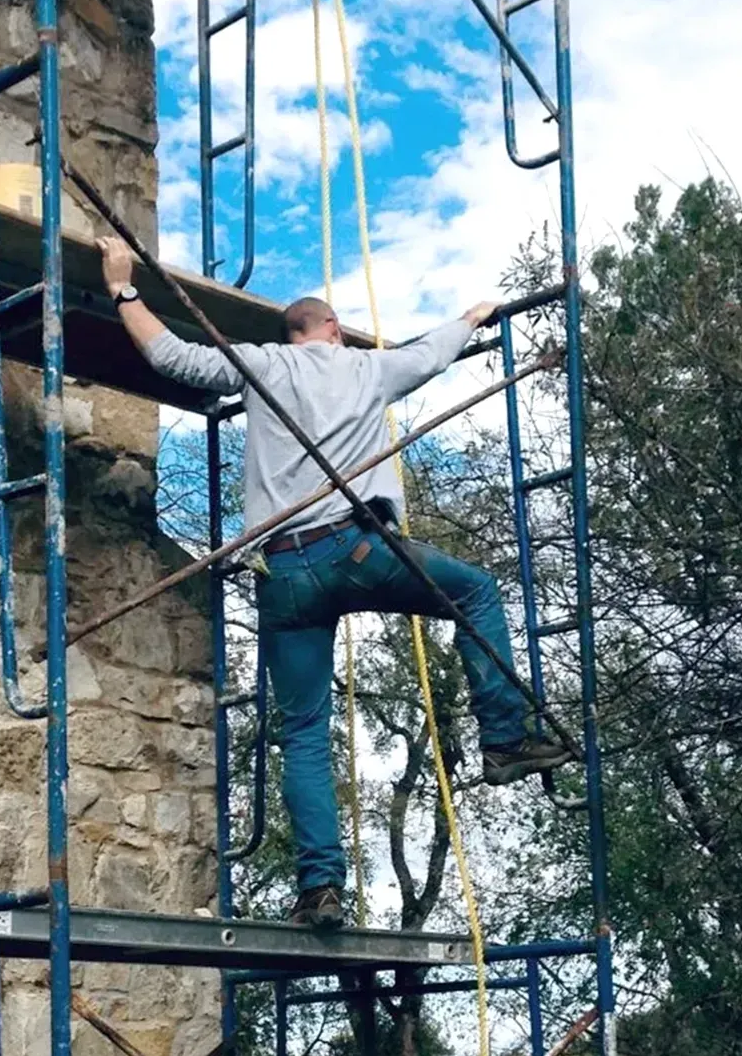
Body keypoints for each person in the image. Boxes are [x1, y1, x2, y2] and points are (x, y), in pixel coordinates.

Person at [97, 235, 571, 930]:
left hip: (284, 570)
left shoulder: (260, 364)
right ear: (329, 328)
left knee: (305, 733)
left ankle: (318, 887)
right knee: (473, 592)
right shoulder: (363, 370)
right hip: (357, 548)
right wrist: (473, 316)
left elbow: (170, 354)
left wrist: (121, 287)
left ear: (290, 331)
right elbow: (431, 352)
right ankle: (504, 737)